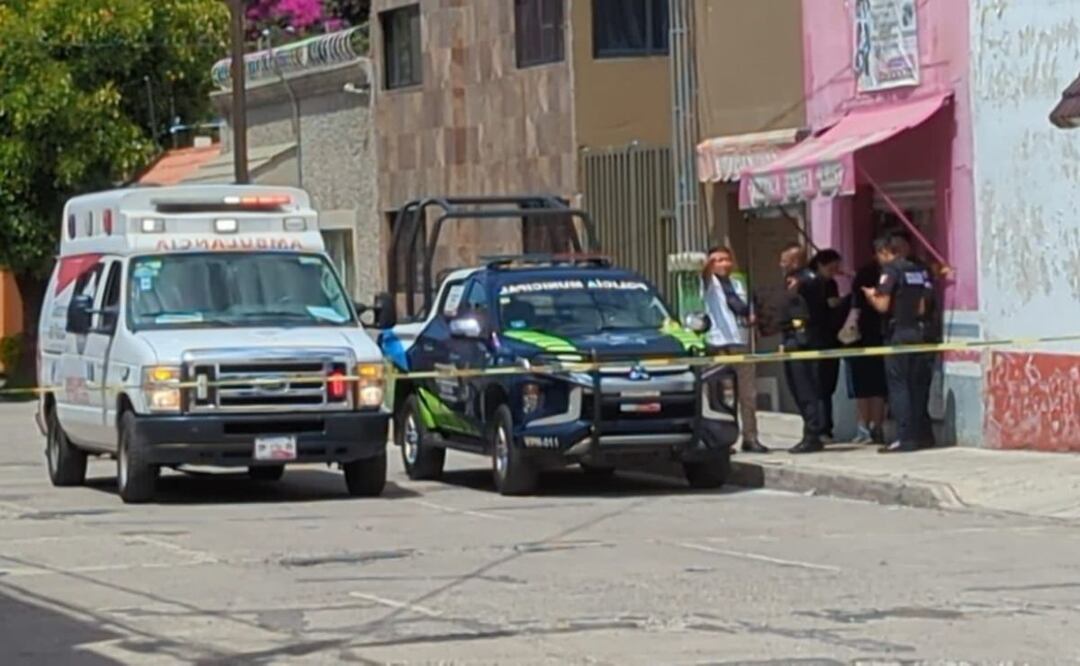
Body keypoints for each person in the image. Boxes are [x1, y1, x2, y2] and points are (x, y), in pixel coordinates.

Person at [862, 235, 936, 453]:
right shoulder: (919, 270)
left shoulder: (891, 271)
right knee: (918, 386)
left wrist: (870, 296)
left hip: (899, 334)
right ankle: (923, 434)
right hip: (920, 333)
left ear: (885, 252)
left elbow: (883, 305)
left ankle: (905, 437)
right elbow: (923, 307)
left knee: (899, 386)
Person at [701, 246, 768, 453]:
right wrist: (706, 266)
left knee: (748, 394)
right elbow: (703, 275)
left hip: (741, 341)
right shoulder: (708, 283)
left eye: (725, 260)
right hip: (719, 343)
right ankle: (722, 439)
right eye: (717, 260)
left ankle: (750, 437)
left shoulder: (738, 283)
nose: (722, 264)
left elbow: (743, 306)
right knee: (722, 395)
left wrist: (751, 317)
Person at [778, 243, 830, 454]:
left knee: (807, 389)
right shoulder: (791, 280)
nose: (780, 265)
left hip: (806, 341)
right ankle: (810, 430)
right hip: (792, 340)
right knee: (796, 389)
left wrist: (799, 282)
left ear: (795, 261)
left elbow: (811, 285)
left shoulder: (809, 278)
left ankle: (813, 434)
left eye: (784, 261)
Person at [845, 257, 888, 444]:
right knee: (878, 386)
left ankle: (864, 428)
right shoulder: (887, 275)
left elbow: (854, 308)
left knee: (863, 387)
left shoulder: (865, 276)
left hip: (861, 338)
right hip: (881, 336)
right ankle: (876, 427)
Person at [808, 249, 847, 442]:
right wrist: (848, 299)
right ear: (822, 265)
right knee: (823, 386)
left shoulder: (811, 281)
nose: (836, 271)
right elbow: (833, 304)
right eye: (833, 267)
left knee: (821, 387)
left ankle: (820, 427)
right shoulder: (824, 283)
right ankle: (823, 428)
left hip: (820, 339)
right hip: (822, 339)